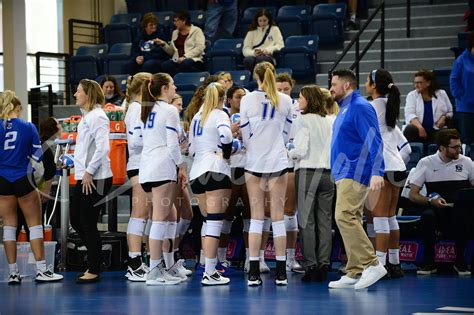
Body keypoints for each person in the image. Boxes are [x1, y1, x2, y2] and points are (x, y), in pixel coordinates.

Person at [328, 69, 387, 290]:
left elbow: (375, 140)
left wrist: (377, 171)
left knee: (343, 216)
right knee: (350, 216)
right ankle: (355, 270)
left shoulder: (360, 107)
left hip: (355, 171)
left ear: (346, 85)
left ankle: (372, 263)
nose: (330, 88)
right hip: (344, 172)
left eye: (334, 84)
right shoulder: (344, 108)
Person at [0, 90, 63, 284]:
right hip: (23, 178)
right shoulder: (27, 127)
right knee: (34, 224)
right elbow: (38, 160)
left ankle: (12, 272)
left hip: (2, 179)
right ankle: (42, 270)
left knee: (9, 226)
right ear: (17, 107)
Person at [240, 61, 293, 286]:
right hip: (278, 161)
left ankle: (253, 271)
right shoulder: (286, 99)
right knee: (278, 218)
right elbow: (287, 134)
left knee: (256, 217)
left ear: (256, 76)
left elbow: (244, 134)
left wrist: (257, 145)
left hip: (254, 162)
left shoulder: (246, 99)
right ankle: (281, 272)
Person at [139, 73, 188, 286]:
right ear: (165, 88)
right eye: (173, 85)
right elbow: (172, 143)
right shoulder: (169, 110)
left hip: (147, 168)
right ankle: (154, 270)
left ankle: (165, 266)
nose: (176, 87)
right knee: (160, 218)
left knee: (168, 217)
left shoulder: (148, 110)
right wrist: (182, 166)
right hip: (162, 168)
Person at [364, 69, 412, 279]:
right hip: (398, 167)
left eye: (367, 80)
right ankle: (395, 263)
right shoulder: (389, 107)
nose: (365, 83)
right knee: (391, 217)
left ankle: (380, 266)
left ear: (374, 85)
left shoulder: (370, 107)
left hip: (382, 168)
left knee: (380, 218)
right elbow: (407, 149)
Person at [409, 129, 473, 276]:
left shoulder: (467, 162)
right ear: (442, 148)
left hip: (459, 210)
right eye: (455, 147)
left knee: (464, 213)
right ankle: (429, 261)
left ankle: (460, 260)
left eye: (459, 146)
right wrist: (431, 200)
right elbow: (413, 195)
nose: (459, 149)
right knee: (427, 216)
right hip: (436, 209)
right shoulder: (425, 163)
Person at [188, 82, 234, 285]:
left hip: (196, 173)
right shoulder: (220, 114)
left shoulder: (196, 117)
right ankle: (210, 271)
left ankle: (205, 266)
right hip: (215, 169)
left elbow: (190, 149)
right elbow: (226, 135)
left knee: (207, 222)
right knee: (215, 223)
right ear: (223, 99)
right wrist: (225, 153)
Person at [288, 85, 335, 282]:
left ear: (309, 99)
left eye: (301, 97)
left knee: (306, 222)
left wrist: (288, 153)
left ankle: (311, 265)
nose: (298, 101)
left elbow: (299, 149)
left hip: (307, 171)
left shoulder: (302, 120)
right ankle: (324, 263)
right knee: (324, 220)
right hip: (328, 172)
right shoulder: (330, 120)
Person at [71, 79, 113, 283]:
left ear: (88, 94)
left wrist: (88, 172)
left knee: (87, 222)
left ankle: (94, 267)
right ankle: (96, 257)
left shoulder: (97, 117)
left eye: (78, 91)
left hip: (96, 177)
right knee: (75, 220)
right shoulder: (87, 117)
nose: (75, 94)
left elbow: (103, 148)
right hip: (85, 176)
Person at [123, 72, 152, 281]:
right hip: (138, 165)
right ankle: (133, 262)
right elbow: (134, 142)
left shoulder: (142, 108)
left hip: (147, 165)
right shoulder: (135, 109)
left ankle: (140, 259)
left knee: (145, 213)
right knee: (139, 212)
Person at [275, 72, 304, 274]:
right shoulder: (266, 106)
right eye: (279, 89)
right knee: (266, 212)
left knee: (289, 210)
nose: (283, 92)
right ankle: (258, 258)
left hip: (292, 160)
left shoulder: (298, 108)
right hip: (269, 161)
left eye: (286, 89)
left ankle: (289, 257)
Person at [16, 117, 63, 241]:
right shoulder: (46, 145)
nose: (61, 126)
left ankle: (12, 257)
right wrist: (45, 191)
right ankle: (37, 257)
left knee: (17, 223)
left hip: (21, 187)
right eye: (58, 123)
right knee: (34, 224)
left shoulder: (40, 143)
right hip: (36, 189)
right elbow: (50, 170)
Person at [404, 69, 453, 143]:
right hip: (418, 129)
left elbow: (450, 111)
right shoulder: (412, 95)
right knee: (410, 129)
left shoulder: (441, 94)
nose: (416, 85)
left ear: (428, 83)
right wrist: (420, 128)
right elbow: (410, 114)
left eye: (420, 83)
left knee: (445, 134)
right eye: (415, 83)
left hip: (436, 129)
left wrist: (444, 117)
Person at [160, 10, 206, 77]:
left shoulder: (197, 31)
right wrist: (163, 44)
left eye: (176, 21)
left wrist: (185, 57)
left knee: (185, 63)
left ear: (184, 21)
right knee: (166, 65)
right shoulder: (175, 33)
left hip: (193, 59)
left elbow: (199, 48)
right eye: (174, 21)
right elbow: (172, 52)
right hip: (177, 59)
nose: (174, 23)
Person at [450, 31, 474, 145]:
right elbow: (454, 80)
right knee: (467, 140)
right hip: (466, 108)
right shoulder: (461, 60)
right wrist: (462, 96)